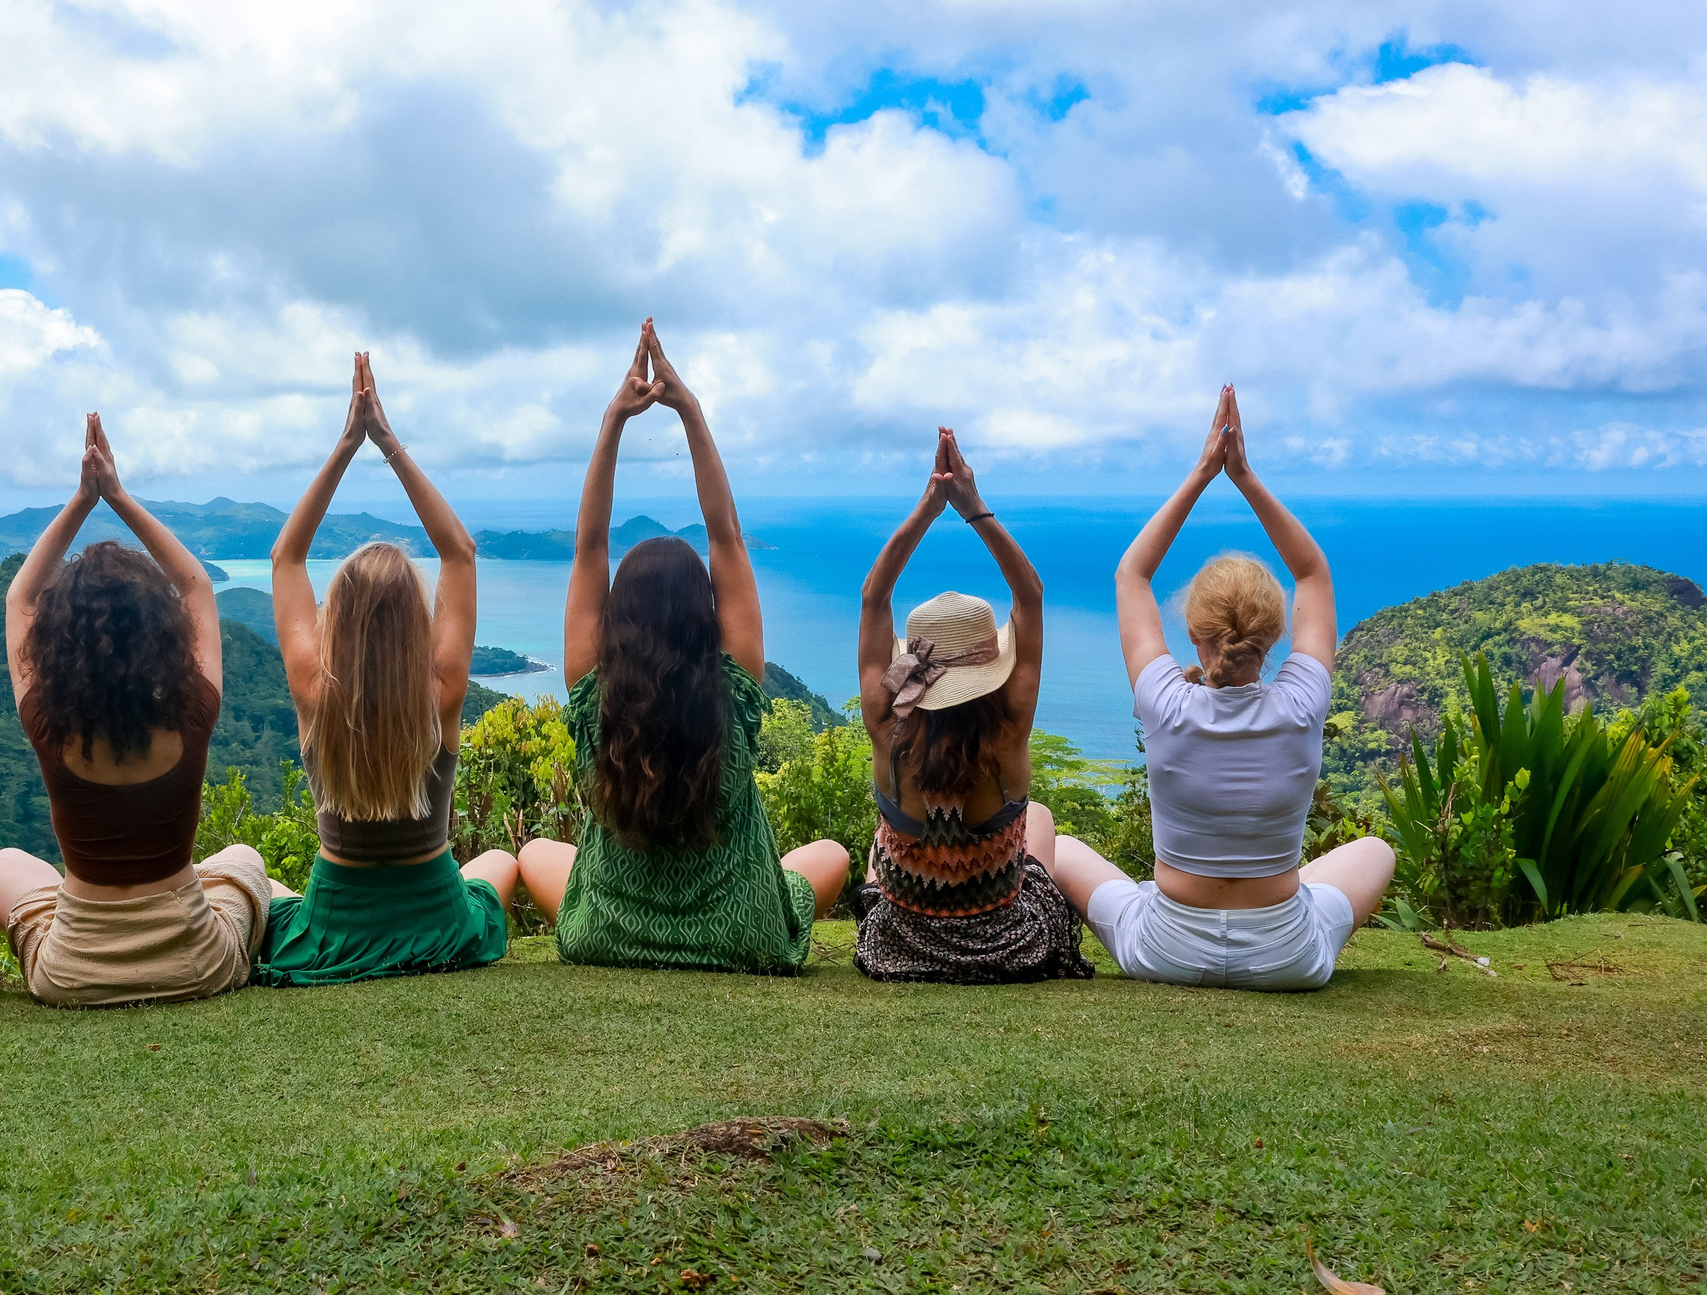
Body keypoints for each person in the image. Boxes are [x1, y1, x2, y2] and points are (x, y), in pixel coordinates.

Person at [517, 320, 850, 971]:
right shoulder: (735, 692)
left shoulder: (594, 696)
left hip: (607, 933)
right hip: (741, 934)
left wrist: (613, 421)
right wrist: (689, 411)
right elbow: (726, 538)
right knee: (832, 853)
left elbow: (589, 547)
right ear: (707, 616)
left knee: (533, 853)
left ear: (617, 621)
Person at [1049, 384, 1396, 990]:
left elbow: (1132, 573)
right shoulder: (1302, 702)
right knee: (1376, 852)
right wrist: (1246, 478)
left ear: (1192, 632)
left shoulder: (1165, 703)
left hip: (1166, 951)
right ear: (1275, 636)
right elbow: (1313, 572)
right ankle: (1277, 908)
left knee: (1064, 843)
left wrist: (1204, 471)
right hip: (1287, 958)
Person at [0, 412, 276, 1007]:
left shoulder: (46, 720)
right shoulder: (194, 712)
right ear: (162, 633)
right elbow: (196, 586)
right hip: (198, 963)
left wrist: (82, 500)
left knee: (5, 862)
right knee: (243, 859)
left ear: (58, 641)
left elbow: (19, 596)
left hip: (71, 975)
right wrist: (117, 495)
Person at [252, 354, 520, 985]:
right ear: (415, 627)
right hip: (436, 916)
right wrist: (388, 445)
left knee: (258, 880)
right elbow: (461, 551)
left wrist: (347, 444)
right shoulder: (442, 692)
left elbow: (286, 558)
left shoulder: (315, 694)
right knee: (501, 863)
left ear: (335, 624)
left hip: (335, 922)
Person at [850, 428, 1092, 984]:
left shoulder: (888, 729)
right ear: (987, 672)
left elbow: (874, 597)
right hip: (1009, 946)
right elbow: (1029, 596)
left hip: (899, 944)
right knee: (1046, 821)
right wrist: (972, 506)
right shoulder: (1010, 731)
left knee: (882, 836)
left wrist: (927, 509)